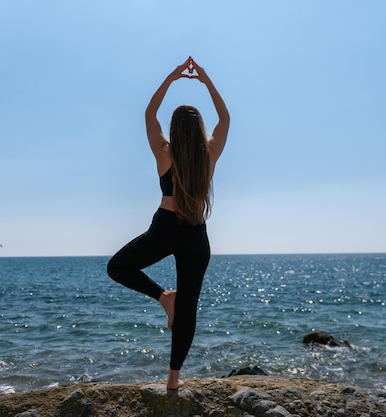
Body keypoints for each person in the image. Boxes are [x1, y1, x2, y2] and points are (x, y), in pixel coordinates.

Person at [106, 56, 229, 391]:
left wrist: (173, 77)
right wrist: (205, 80)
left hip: (165, 227)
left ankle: (163, 298)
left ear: (175, 130)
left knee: (117, 267)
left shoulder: (164, 151)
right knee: (188, 309)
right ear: (199, 128)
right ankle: (173, 380)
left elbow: (149, 113)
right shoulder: (210, 153)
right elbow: (225, 118)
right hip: (195, 235)